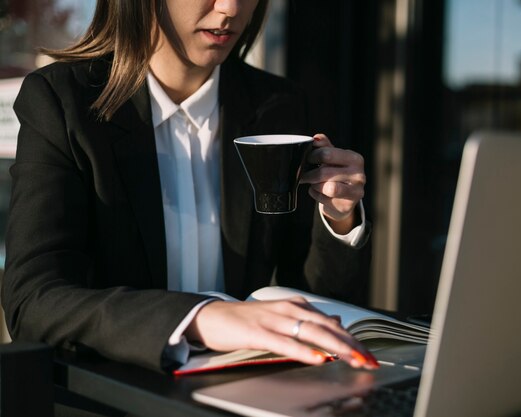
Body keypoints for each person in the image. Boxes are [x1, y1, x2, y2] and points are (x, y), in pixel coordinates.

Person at [1, 0, 377, 373]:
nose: (230, 8)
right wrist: (198, 317)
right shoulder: (63, 101)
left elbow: (319, 301)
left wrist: (338, 219)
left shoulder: (277, 104)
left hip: (250, 390)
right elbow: (32, 302)